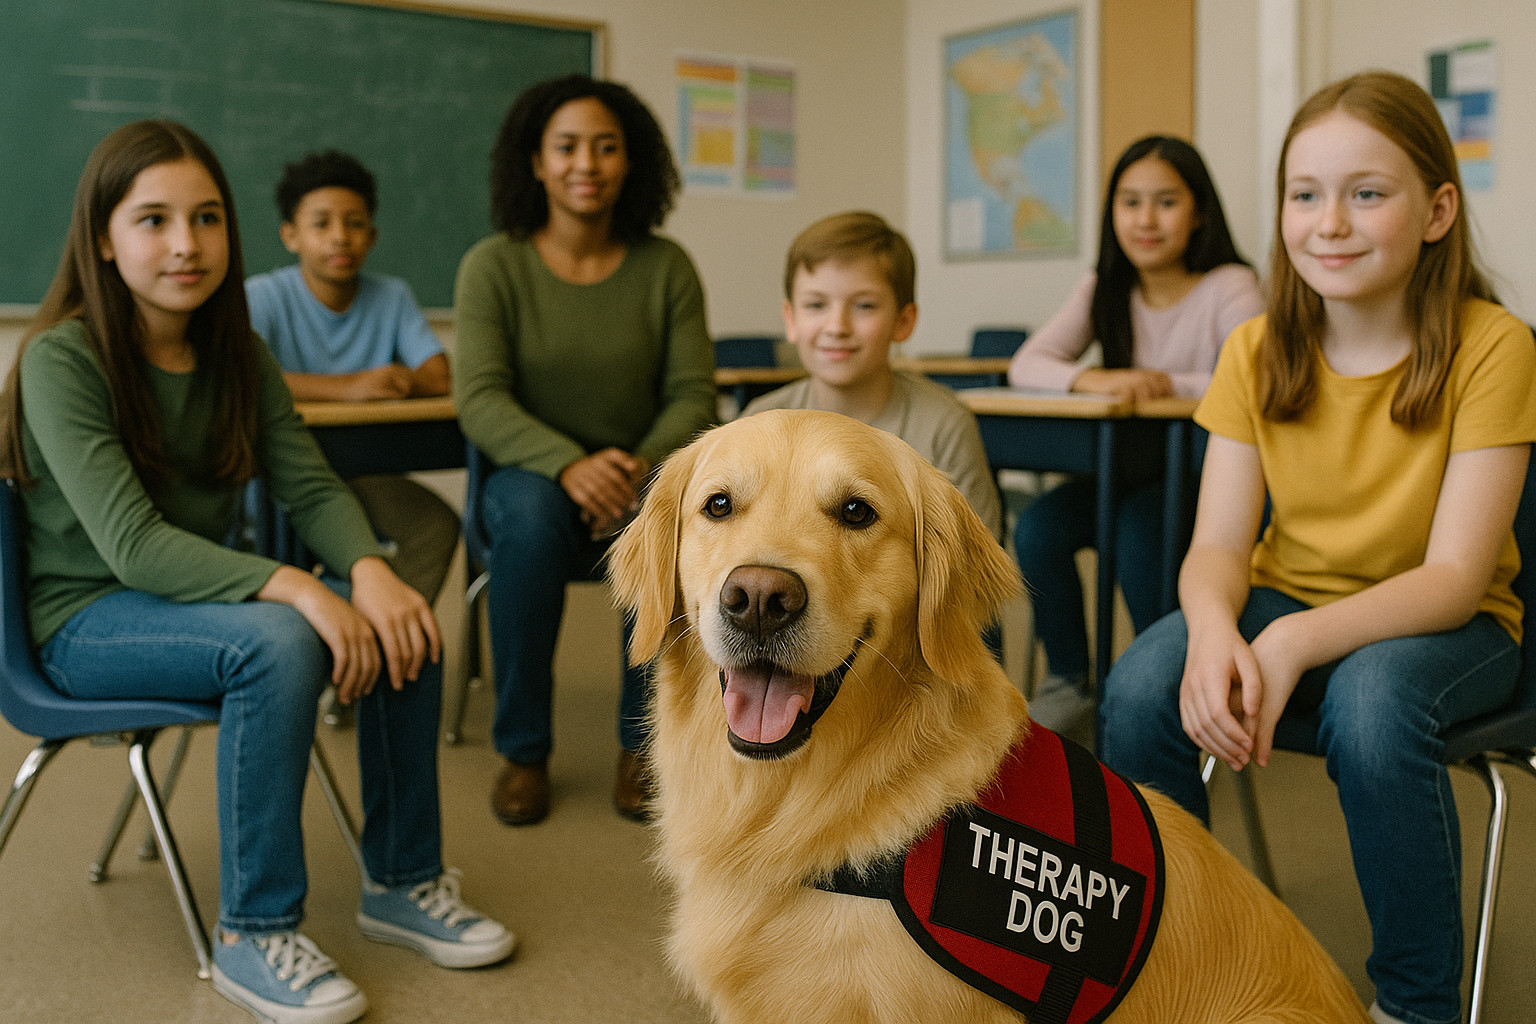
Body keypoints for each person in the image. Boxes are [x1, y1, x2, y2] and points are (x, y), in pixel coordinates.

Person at [0, 120, 514, 1024]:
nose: (185, 244)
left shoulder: (239, 352)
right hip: (83, 622)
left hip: (191, 600)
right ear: (104, 240)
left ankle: (401, 882)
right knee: (279, 640)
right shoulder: (60, 358)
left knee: (405, 622)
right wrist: (306, 586)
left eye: (204, 217)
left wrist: (371, 570)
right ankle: (255, 932)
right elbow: (132, 544)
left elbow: (308, 482)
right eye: (152, 220)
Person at [1097, 72, 1536, 1024]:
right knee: (1138, 687)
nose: (1328, 222)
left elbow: (1457, 578)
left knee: (1373, 709)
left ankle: (1415, 1005)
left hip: (1447, 625)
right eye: (1305, 195)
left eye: (1366, 193)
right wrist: (1215, 629)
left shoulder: (1493, 344)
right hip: (1286, 594)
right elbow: (1217, 543)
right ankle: (1185, 964)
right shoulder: (1256, 349)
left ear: (1437, 210)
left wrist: (1293, 643)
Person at [453, 74, 715, 826]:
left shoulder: (667, 267)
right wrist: (569, 464)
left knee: (663, 516)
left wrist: (631, 467)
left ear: (632, 163)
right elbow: (481, 397)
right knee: (531, 522)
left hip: (640, 470)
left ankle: (643, 748)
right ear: (534, 161)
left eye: (606, 147)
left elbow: (695, 395)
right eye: (566, 146)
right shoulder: (492, 266)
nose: (586, 163)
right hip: (531, 479)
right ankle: (523, 753)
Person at [1007, 135, 1262, 735]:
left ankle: (1170, 689)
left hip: (1204, 479)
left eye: (1166, 202)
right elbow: (1027, 364)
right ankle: (1071, 679)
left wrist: (1165, 381)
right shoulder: (1105, 286)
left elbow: (1255, 374)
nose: (1145, 219)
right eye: (1130, 202)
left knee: (1139, 533)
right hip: (1120, 469)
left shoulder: (1230, 285)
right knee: (1040, 528)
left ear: (1198, 212)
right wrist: (1093, 376)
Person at [246, 149, 459, 608]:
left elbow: (440, 377)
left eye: (355, 223)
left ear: (373, 235)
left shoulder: (391, 296)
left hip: (366, 471)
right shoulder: (262, 297)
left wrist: (399, 381)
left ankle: (383, 644)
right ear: (290, 235)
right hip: (279, 479)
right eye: (321, 224)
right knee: (286, 543)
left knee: (436, 527)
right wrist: (353, 388)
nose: (340, 237)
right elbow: (244, 379)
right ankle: (328, 636)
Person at [744, 210, 1001, 541]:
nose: (837, 327)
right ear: (790, 319)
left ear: (903, 321)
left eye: (864, 306)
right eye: (816, 305)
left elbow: (975, 567)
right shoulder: (758, 422)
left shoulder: (944, 425)